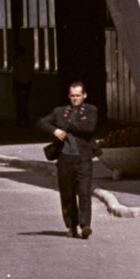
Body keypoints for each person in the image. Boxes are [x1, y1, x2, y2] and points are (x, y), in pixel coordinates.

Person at [38, 81, 100, 240]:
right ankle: (72, 226)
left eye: (78, 95)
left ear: (84, 95)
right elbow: (41, 122)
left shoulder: (91, 110)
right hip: (65, 159)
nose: (75, 99)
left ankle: (85, 225)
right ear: (68, 96)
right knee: (67, 194)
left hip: (84, 158)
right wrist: (54, 130)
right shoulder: (59, 111)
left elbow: (89, 128)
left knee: (84, 192)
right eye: (72, 96)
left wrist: (68, 124)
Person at [10, 34, 35, 129]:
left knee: (19, 103)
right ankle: (26, 120)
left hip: (19, 85)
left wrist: (13, 87)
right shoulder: (28, 63)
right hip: (27, 85)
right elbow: (31, 75)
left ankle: (19, 120)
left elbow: (15, 76)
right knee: (25, 103)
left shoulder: (16, 63)